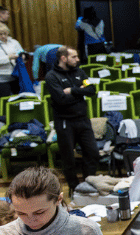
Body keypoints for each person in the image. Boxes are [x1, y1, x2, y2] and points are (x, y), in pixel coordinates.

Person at [45, 46, 100, 192]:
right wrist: (79, 92)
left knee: (93, 152)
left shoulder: (80, 72)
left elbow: (91, 90)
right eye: (74, 57)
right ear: (63, 58)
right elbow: (61, 99)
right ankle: (74, 188)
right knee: (68, 158)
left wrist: (72, 90)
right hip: (64, 122)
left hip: (83, 120)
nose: (77, 59)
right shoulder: (51, 76)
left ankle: (89, 184)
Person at [0, 23, 25, 110]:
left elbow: (22, 53)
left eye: (5, 33)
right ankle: (3, 121)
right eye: (0, 34)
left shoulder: (14, 42)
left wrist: (23, 56)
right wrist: (8, 57)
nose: (3, 36)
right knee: (4, 102)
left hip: (15, 75)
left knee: (19, 100)